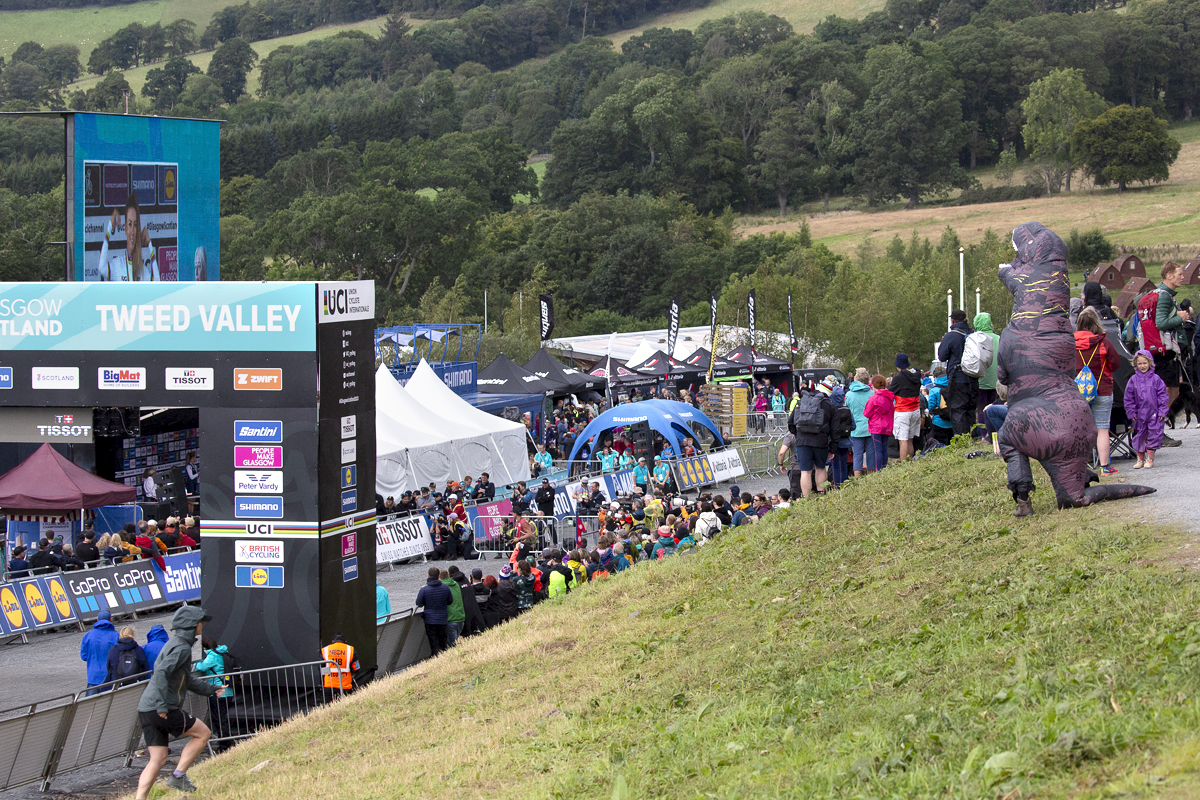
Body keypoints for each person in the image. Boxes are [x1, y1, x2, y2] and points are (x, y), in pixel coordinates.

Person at [134, 605, 224, 799]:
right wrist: (162, 705)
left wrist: (211, 689)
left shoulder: (175, 643)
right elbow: (161, 673)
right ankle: (178, 775)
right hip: (162, 708)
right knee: (203, 733)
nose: (202, 625)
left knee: (157, 760)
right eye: (201, 622)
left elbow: (186, 678)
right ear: (192, 625)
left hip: (146, 708)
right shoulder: (182, 647)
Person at [1075, 307, 1122, 476]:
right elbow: (1116, 364)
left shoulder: (1071, 344)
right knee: (1102, 428)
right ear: (1096, 322)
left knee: (1079, 429)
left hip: (1078, 392)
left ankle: (1078, 467)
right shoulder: (1103, 343)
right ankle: (1104, 467)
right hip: (1102, 389)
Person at [99, 193, 160, 282]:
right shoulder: (118, 264)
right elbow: (102, 268)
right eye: (130, 224)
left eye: (135, 225)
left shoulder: (142, 269)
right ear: (125, 229)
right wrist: (109, 229)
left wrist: (150, 245)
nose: (132, 231)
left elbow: (157, 282)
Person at [1125, 350, 1169, 469]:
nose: (1142, 366)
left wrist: (1162, 410)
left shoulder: (1156, 379)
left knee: (1154, 434)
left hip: (1154, 413)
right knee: (1139, 435)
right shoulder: (1133, 380)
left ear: (1150, 363)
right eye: (1139, 364)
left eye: (1145, 363)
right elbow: (1129, 398)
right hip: (1139, 413)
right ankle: (1140, 459)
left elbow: (1163, 396)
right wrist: (1131, 412)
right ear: (1135, 365)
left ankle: (1150, 459)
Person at [791, 378, 834, 498]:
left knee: (805, 471)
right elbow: (834, 429)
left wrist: (798, 436)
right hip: (821, 441)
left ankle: (806, 498)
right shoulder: (829, 405)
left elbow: (791, 423)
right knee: (821, 468)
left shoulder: (802, 401)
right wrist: (832, 448)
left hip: (802, 441)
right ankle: (822, 495)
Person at [938, 309, 979, 436]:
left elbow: (942, 356)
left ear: (952, 320)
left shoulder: (951, 335)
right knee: (970, 410)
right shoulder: (973, 333)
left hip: (958, 378)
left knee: (958, 410)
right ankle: (973, 438)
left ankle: (963, 441)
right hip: (973, 377)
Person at [889, 354, 922, 462]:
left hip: (903, 411)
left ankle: (903, 465)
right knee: (910, 439)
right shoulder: (916, 376)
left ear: (898, 366)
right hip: (915, 410)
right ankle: (910, 462)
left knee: (902, 440)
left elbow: (890, 392)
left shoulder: (898, 378)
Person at [415, 566, 453, 655]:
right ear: (438, 576)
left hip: (430, 620)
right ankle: (444, 658)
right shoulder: (445, 588)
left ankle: (435, 658)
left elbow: (419, 603)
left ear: (428, 576)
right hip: (442, 619)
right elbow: (450, 601)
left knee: (433, 643)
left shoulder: (424, 589)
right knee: (443, 643)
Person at [82, 609, 120, 694]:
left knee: (91, 705)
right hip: (110, 677)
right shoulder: (116, 635)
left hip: (93, 676)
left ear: (97, 620)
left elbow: (84, 656)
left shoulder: (88, 635)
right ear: (110, 620)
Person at [846, 368, 875, 476]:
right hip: (870, 428)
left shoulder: (849, 395)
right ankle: (871, 481)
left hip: (856, 429)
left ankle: (857, 482)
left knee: (857, 457)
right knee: (871, 457)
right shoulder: (872, 394)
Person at [863, 374, 895, 472]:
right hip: (887, 425)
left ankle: (878, 470)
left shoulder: (873, 398)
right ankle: (884, 468)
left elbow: (866, 413)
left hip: (876, 426)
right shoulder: (890, 397)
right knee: (884, 448)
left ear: (874, 385)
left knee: (877, 449)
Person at [828, 385, 854, 487]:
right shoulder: (847, 409)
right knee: (844, 464)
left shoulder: (831, 410)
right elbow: (853, 425)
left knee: (835, 465)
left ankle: (837, 485)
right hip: (846, 441)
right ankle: (844, 485)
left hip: (834, 442)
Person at [927, 365, 955, 445]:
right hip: (952, 421)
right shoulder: (952, 388)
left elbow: (931, 407)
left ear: (935, 377)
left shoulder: (934, 390)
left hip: (938, 421)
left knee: (939, 444)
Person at [441, 569, 465, 646]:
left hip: (451, 619)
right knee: (455, 643)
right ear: (448, 575)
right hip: (460, 617)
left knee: (453, 646)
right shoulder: (456, 584)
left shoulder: (442, 587)